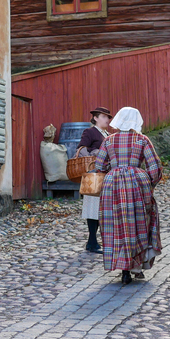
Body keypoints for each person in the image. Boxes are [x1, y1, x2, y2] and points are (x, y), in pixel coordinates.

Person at [94, 107, 163, 285]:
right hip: (137, 184)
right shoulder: (142, 140)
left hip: (113, 186)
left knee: (116, 224)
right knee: (138, 222)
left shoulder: (108, 141)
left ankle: (123, 267)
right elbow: (154, 168)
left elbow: (99, 166)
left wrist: (113, 172)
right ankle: (136, 266)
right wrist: (148, 184)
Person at [75, 106, 113, 253]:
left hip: (104, 174)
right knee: (92, 207)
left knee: (100, 208)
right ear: (95, 118)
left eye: (108, 117)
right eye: (103, 117)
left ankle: (94, 242)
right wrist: (97, 154)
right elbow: (81, 149)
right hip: (92, 174)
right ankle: (91, 242)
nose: (107, 119)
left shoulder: (108, 134)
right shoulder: (90, 132)